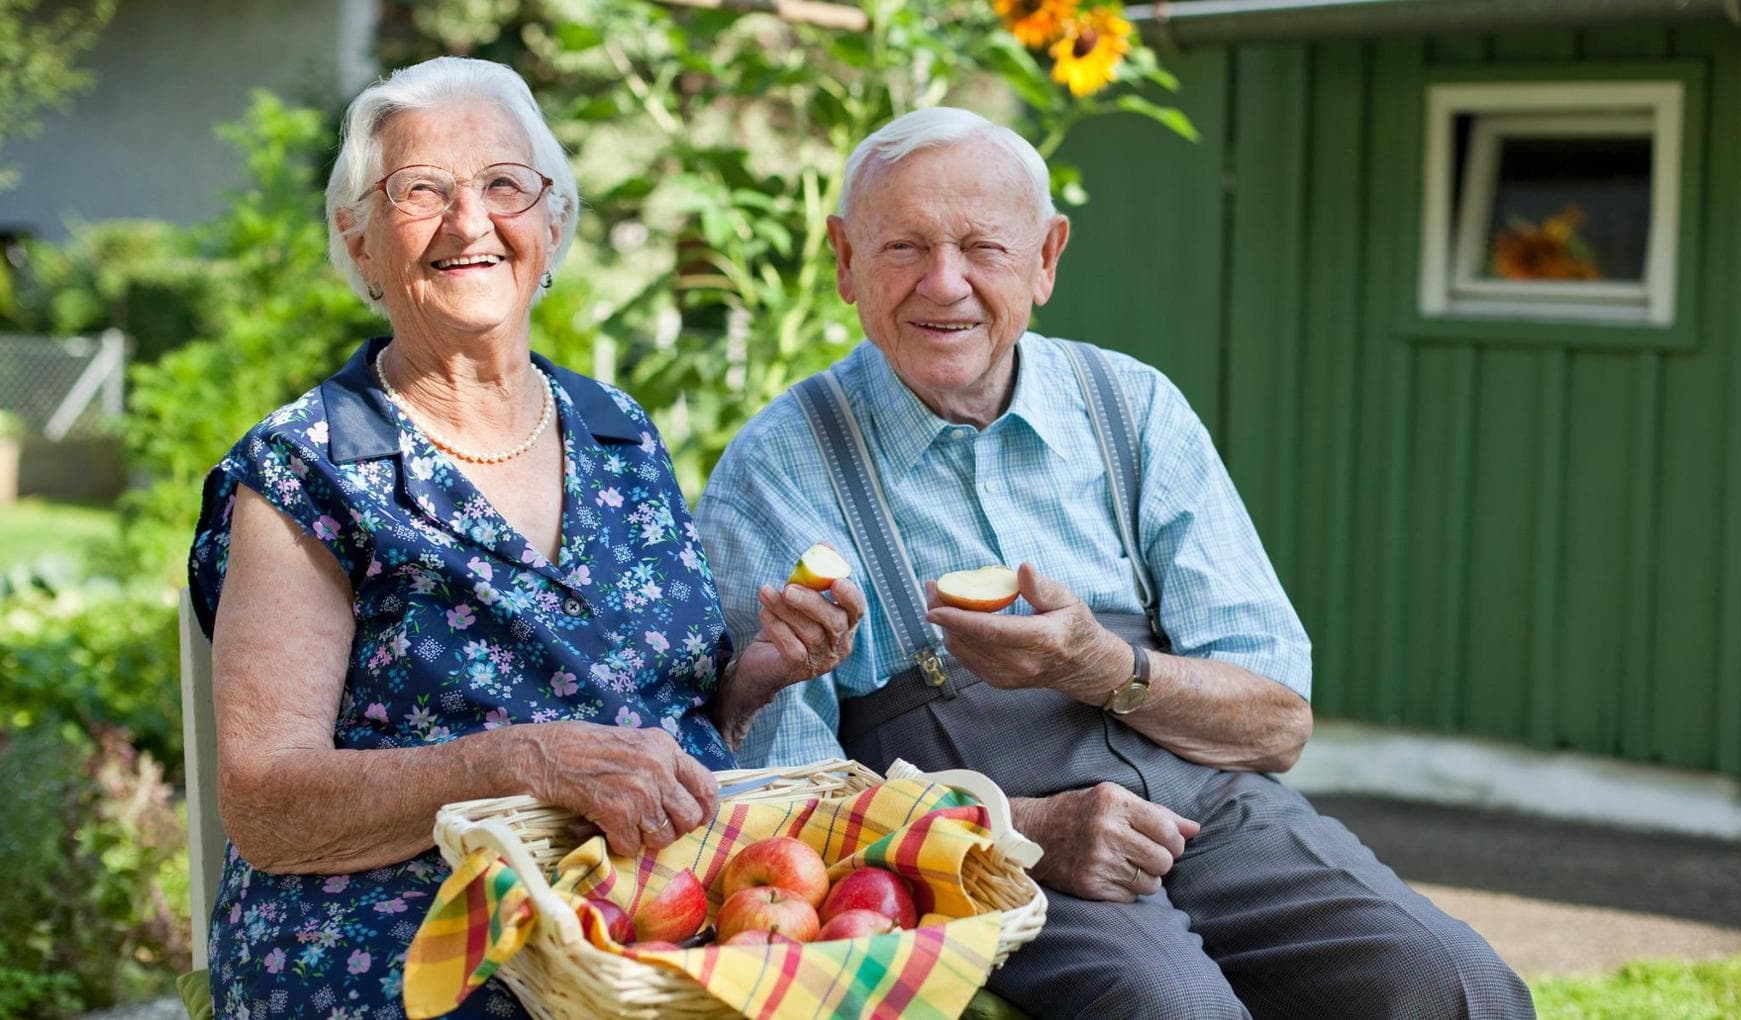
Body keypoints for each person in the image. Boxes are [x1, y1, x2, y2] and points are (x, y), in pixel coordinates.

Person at [694, 106, 1533, 1018]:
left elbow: (1276, 724)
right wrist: (1017, 828)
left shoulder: (1130, 407)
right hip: (992, 852)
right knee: (1172, 1007)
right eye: (903, 247)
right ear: (845, 260)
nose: (944, 284)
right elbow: (783, 796)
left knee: (1455, 984)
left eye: (983, 247)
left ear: (1046, 259)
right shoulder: (781, 466)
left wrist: (1101, 665)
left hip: (1214, 809)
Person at [188, 56, 862, 1019]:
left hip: (654, 924)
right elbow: (266, 806)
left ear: (552, 224)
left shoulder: (618, 432)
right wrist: (518, 762)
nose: (470, 222)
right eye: (422, 190)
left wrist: (758, 675)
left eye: (505, 185)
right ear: (360, 240)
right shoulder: (309, 469)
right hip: (412, 943)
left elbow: (657, 714)